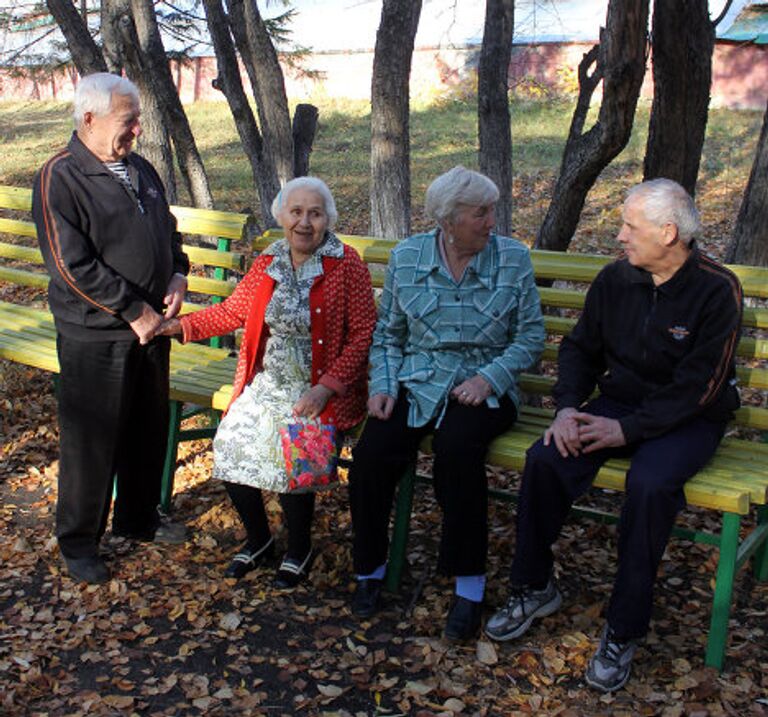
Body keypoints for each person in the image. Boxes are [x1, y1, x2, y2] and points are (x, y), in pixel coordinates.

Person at [484, 178, 743, 692]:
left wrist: (626, 429)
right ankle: (533, 587)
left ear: (668, 233)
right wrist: (565, 411)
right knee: (547, 459)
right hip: (617, 403)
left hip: (689, 418)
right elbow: (581, 349)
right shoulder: (615, 279)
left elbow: (700, 387)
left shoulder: (716, 288)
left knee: (650, 486)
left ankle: (624, 628)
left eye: (630, 226)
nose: (619, 236)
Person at [348, 166, 546, 640]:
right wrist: (383, 384)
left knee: (458, 451)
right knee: (371, 455)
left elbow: (531, 337)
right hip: (417, 381)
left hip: (486, 386)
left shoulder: (512, 258)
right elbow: (389, 334)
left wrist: (489, 378)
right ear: (448, 219)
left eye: (492, 210)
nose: (491, 221)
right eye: (481, 212)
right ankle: (370, 569)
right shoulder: (409, 257)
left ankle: (469, 587)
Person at [159, 176, 377, 588]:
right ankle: (259, 539)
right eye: (296, 212)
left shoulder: (346, 263)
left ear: (327, 218)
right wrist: (178, 327)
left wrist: (327, 386)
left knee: (299, 452)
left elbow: (364, 333)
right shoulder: (269, 261)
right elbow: (231, 312)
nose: (305, 222)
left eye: (315, 213)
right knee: (230, 443)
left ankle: (299, 548)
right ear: (282, 216)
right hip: (267, 381)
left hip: (320, 388)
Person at [31, 73, 190, 584]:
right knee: (92, 440)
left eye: (138, 119)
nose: (138, 130)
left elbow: (165, 227)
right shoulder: (60, 176)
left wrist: (178, 272)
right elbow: (70, 265)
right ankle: (79, 542)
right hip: (96, 333)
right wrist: (132, 309)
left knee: (147, 429)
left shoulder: (138, 168)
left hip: (152, 327)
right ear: (90, 120)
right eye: (129, 120)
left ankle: (138, 519)